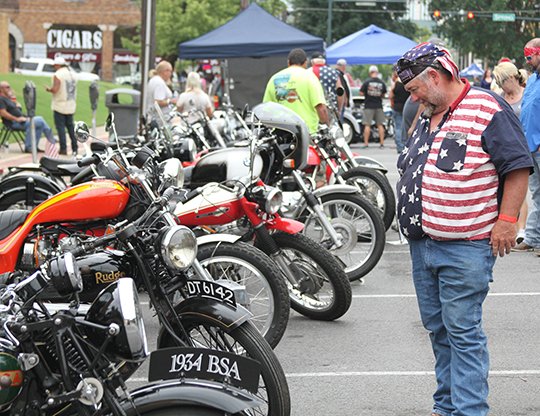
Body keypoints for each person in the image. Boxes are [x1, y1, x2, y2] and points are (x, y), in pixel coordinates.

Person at [395, 42, 533, 416]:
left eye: (414, 89)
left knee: (462, 332)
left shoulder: (488, 107)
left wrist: (506, 221)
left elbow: (517, 166)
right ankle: (447, 405)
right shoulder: (428, 112)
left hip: (464, 245)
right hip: (423, 243)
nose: (414, 97)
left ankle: (469, 410)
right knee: (440, 331)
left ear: (436, 77)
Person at [493, 60, 530, 244]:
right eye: (498, 83)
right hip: (507, 151)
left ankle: (522, 229)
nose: (501, 86)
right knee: (511, 190)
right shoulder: (499, 97)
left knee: (523, 189)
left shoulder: (527, 94)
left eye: (502, 81)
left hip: (528, 147)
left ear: (512, 78)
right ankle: (516, 228)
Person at [263, 48, 329, 134]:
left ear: (288, 62)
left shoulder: (274, 79)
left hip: (281, 134)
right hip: (307, 133)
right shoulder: (310, 78)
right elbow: (321, 108)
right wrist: (326, 125)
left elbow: (266, 109)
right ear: (305, 62)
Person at [515, 37, 540, 255]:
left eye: (530, 56)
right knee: (536, 194)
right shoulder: (532, 80)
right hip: (529, 146)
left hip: (538, 145)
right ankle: (533, 237)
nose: (527, 60)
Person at [0, 81, 55, 153]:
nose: (10, 89)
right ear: (1, 89)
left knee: (39, 124)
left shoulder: (9, 99)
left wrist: (13, 99)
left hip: (22, 120)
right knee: (40, 120)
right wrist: (17, 119)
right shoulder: (1, 99)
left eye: (9, 87)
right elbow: (3, 113)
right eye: (7, 87)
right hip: (14, 122)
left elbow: (16, 109)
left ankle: (34, 146)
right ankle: (50, 141)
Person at [46, 57, 77, 156]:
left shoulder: (58, 75)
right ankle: (75, 148)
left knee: (61, 128)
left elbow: (55, 89)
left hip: (60, 104)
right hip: (71, 104)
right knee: (71, 128)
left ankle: (63, 149)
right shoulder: (73, 74)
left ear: (58, 65)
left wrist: (49, 89)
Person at [308, 52, 344, 116]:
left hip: (312, 110)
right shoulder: (334, 73)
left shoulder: (307, 72)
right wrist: (339, 109)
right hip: (330, 111)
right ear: (324, 61)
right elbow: (340, 91)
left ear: (312, 62)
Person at [360, 65, 387, 148]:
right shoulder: (382, 82)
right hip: (379, 105)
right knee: (380, 125)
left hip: (368, 105)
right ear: (377, 72)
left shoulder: (367, 82)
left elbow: (361, 93)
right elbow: (383, 94)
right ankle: (382, 143)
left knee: (367, 125)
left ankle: (366, 143)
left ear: (370, 73)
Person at [388, 70, 410, 153]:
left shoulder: (396, 84)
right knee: (405, 127)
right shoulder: (407, 83)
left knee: (398, 127)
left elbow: (390, 96)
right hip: (406, 107)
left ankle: (400, 146)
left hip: (397, 107)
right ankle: (405, 145)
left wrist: (392, 104)